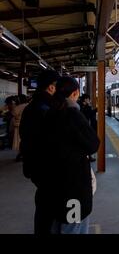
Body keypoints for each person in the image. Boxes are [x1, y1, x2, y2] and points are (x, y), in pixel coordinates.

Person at [43, 77, 99, 234]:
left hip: (54, 183)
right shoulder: (72, 115)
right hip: (73, 186)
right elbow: (93, 144)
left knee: (58, 224)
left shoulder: (49, 114)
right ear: (75, 93)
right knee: (73, 225)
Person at [20, 70, 60, 234]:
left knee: (44, 209)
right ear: (51, 88)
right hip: (50, 171)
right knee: (51, 213)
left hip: (38, 170)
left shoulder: (32, 107)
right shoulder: (47, 110)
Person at [78, 94, 97, 162]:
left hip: (82, 125)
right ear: (86, 99)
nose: (89, 101)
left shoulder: (80, 105)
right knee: (86, 141)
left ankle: (88, 156)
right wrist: (96, 109)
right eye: (89, 99)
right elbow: (90, 113)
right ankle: (88, 156)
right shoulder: (84, 106)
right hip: (84, 126)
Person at [12, 94, 28, 161]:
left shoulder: (18, 107)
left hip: (19, 126)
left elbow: (13, 114)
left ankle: (21, 154)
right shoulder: (28, 105)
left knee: (19, 141)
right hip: (27, 125)